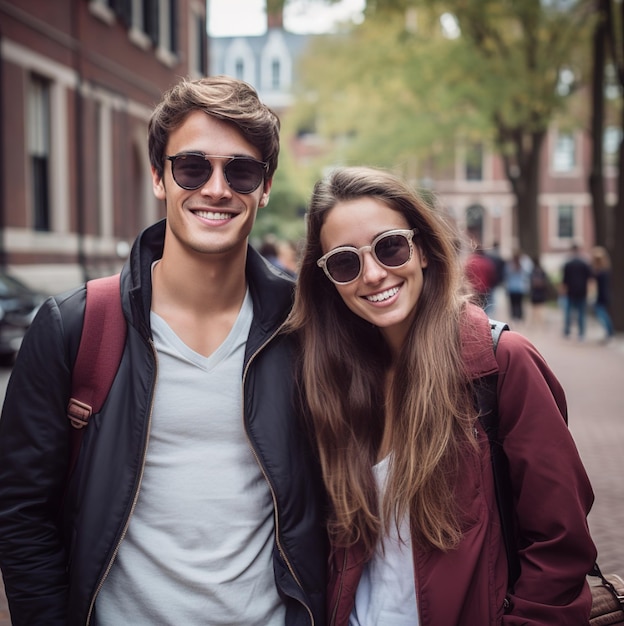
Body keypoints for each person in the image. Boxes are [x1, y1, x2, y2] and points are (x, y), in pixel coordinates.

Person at [0, 76, 327, 625]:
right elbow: (21, 517)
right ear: (159, 177)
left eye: (240, 170)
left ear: (264, 187)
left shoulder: (306, 326)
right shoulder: (72, 327)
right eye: (192, 167)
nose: (217, 189)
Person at [288, 166, 596, 625]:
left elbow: (560, 545)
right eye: (345, 262)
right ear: (329, 280)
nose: (372, 274)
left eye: (390, 246)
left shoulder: (500, 363)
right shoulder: (336, 382)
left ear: (424, 250)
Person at [561, 242, 593, 340]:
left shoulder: (568, 264)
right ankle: (581, 334)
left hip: (571, 291)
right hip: (582, 291)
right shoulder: (584, 263)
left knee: (568, 312)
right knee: (581, 313)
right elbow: (590, 278)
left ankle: (567, 331)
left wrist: (563, 291)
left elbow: (564, 280)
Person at [590, 245, 615, 343]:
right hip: (603, 295)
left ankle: (610, 333)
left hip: (601, 296)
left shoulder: (601, 272)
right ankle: (609, 333)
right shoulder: (604, 270)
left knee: (603, 315)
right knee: (603, 315)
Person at [463, 243, 497, 313]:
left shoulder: (469, 262)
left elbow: (465, 276)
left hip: (473, 289)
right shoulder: (487, 263)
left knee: (474, 308)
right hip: (485, 289)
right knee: (485, 308)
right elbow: (492, 276)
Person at [504, 251, 530, 323]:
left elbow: (506, 275)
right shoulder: (522, 266)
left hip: (513, 288)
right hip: (519, 288)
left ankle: (515, 317)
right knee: (519, 304)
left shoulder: (510, 265)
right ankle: (519, 317)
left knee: (514, 304)